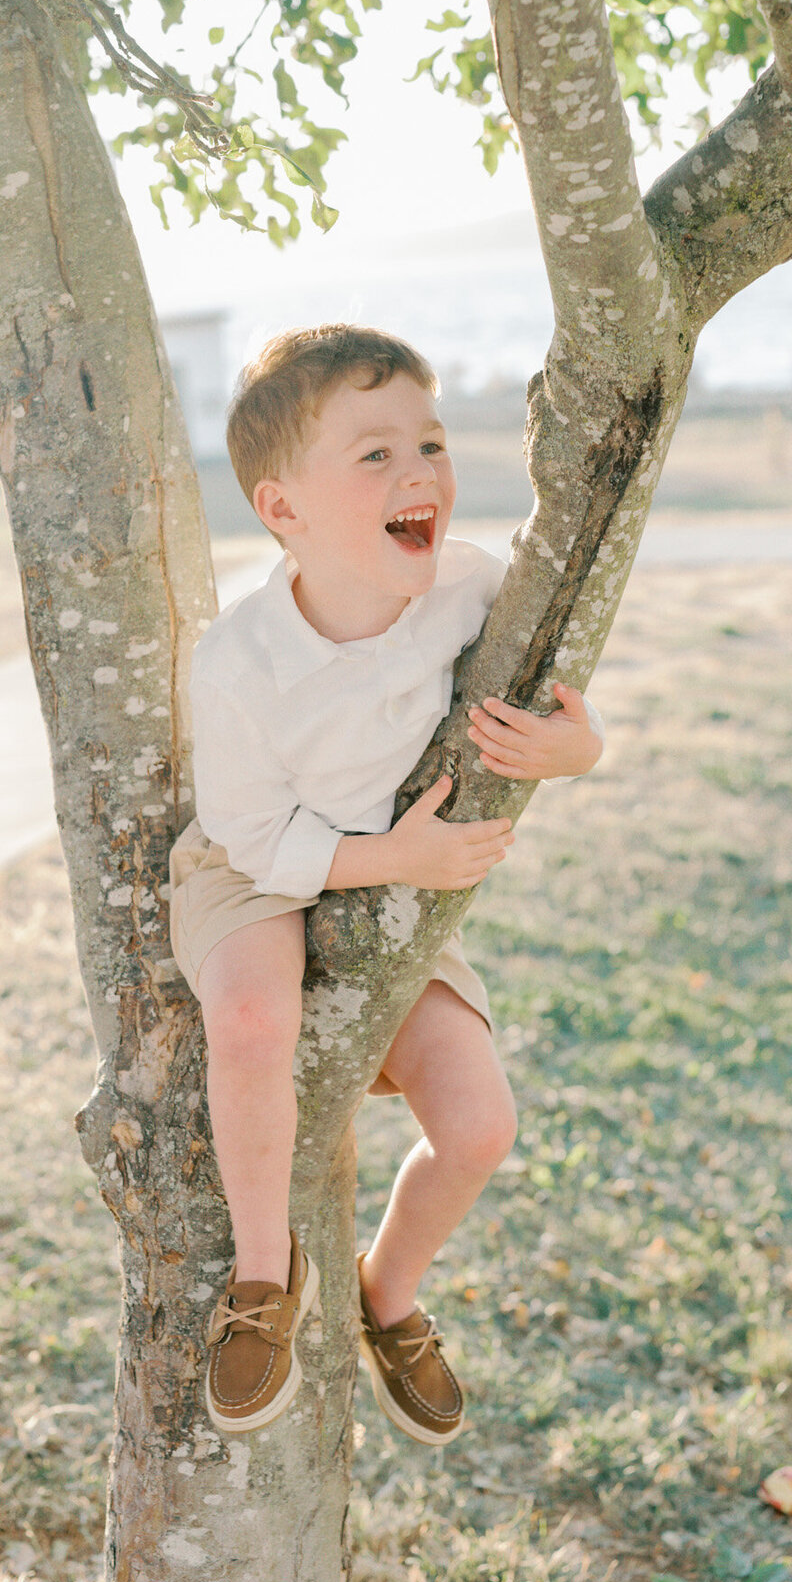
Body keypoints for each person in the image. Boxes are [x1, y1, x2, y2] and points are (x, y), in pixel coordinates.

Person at [168, 324, 603, 1445]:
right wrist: (398, 860)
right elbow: (256, 838)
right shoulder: (240, 663)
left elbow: (559, 719)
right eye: (375, 456)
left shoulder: (471, 594)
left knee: (479, 1125)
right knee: (257, 1018)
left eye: (432, 442)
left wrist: (575, 752)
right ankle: (266, 1279)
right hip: (255, 866)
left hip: (384, 876)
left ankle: (386, 1290)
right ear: (284, 511)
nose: (419, 474)